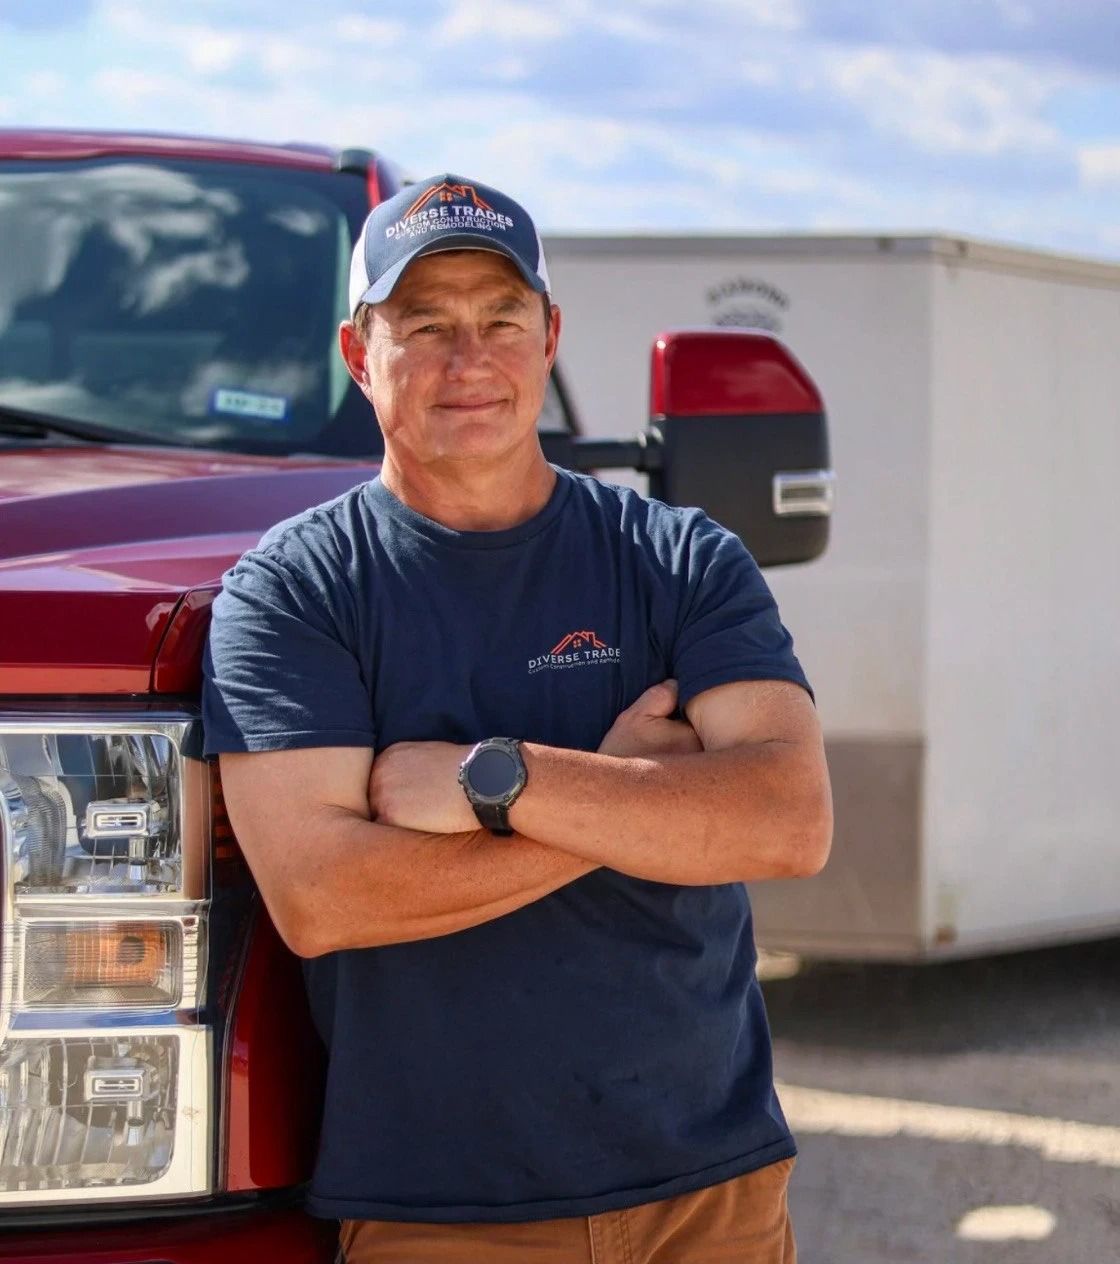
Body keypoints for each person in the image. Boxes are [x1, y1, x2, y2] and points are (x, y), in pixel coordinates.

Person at [202, 173, 832, 1264]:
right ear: (361, 355)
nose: (469, 358)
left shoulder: (676, 558)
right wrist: (628, 796)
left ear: (549, 337)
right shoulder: (294, 592)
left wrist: (497, 782)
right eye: (426, 324)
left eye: (501, 320)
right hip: (444, 1215)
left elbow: (785, 821)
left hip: (712, 1193)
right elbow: (322, 896)